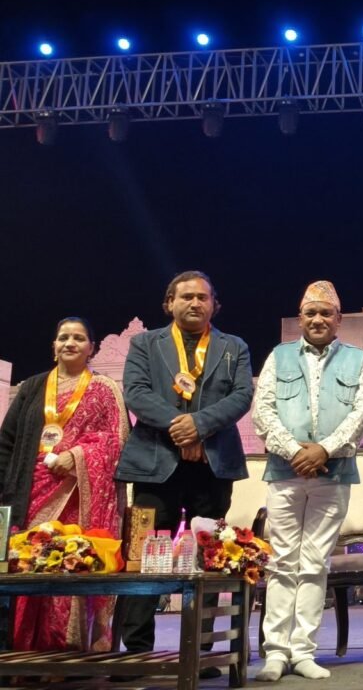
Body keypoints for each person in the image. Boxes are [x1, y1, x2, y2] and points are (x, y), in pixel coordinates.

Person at [115, 271, 253, 672]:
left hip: (213, 465)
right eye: (186, 296)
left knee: (208, 559)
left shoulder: (234, 346)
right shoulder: (145, 343)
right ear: (169, 303)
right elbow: (136, 392)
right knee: (142, 557)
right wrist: (181, 428)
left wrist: (200, 426)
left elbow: (242, 395)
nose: (195, 303)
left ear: (214, 305)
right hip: (154, 463)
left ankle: (201, 653)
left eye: (202, 297)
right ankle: (137, 653)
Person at [251, 281, 363, 682]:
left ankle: (303, 651)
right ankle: (275, 652)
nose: (318, 319)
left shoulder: (357, 359)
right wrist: (295, 452)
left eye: (326, 313)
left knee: (316, 562)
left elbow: (361, 414)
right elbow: (263, 410)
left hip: (333, 472)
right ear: (300, 318)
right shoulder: (279, 355)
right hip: (285, 472)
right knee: (283, 561)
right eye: (310, 313)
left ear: (339, 319)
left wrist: (323, 450)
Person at [0, 317, 128, 651]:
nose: (70, 343)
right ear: (53, 346)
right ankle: (23, 653)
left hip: (77, 498)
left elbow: (115, 440)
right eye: (63, 337)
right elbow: (7, 441)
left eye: (79, 338)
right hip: (30, 493)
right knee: (29, 565)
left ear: (92, 348)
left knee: (70, 565)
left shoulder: (103, 389)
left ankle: (68, 653)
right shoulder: (32, 387)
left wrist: (77, 456)